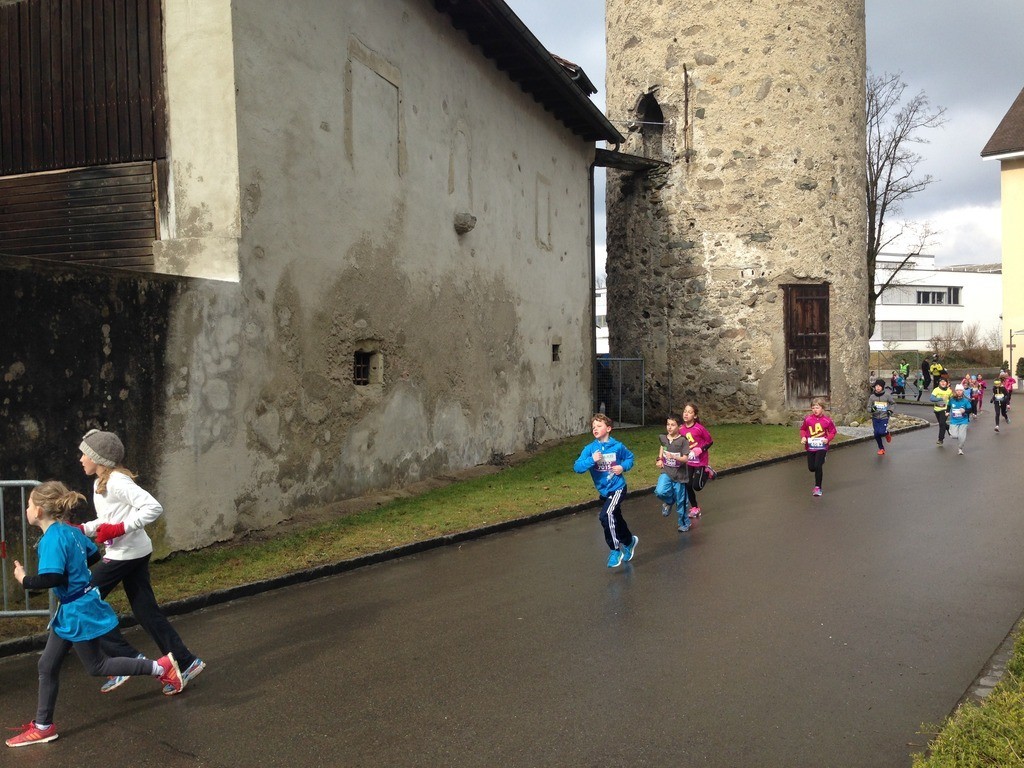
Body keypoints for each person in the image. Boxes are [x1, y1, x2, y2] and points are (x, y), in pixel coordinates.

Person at [5, 481, 182, 748]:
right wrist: (75, 573)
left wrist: (23, 579)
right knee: (47, 665)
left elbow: (52, 577)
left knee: (97, 665)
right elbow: (93, 556)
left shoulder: (51, 539)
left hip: (78, 611)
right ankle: (43, 726)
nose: (26, 509)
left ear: (39, 511)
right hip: (75, 606)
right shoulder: (71, 531)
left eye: (29, 505)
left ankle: (160, 667)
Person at [76, 429, 206, 695]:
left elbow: (153, 507)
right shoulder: (101, 482)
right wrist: (83, 529)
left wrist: (120, 529)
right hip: (134, 552)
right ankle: (186, 661)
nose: (80, 459)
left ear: (99, 459)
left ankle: (123, 661)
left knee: (81, 601)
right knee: (146, 612)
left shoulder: (117, 482)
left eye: (84, 454)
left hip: (125, 555)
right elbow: (109, 518)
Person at [573, 414, 638, 568]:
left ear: (608, 428)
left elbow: (630, 458)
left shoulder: (617, 446)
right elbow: (577, 467)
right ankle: (629, 541)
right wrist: (592, 459)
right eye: (593, 427)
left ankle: (615, 550)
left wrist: (622, 467)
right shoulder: (590, 449)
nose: (595, 429)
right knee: (616, 518)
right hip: (604, 491)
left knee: (606, 515)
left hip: (618, 488)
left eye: (599, 426)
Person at [654, 413, 691, 533]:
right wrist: (660, 459)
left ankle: (684, 523)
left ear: (679, 427)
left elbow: (685, 459)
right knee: (660, 491)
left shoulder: (683, 441)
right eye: (668, 424)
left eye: (673, 425)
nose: (669, 427)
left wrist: (675, 457)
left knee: (681, 501)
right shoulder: (663, 437)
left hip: (680, 475)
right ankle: (669, 501)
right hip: (666, 471)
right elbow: (663, 446)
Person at [680, 403, 714, 519]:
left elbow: (710, 441)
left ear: (694, 416)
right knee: (687, 484)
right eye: (685, 411)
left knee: (697, 486)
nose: (686, 414)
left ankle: (707, 471)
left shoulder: (699, 428)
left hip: (700, 461)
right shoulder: (681, 429)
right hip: (689, 461)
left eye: (689, 412)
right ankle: (695, 508)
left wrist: (701, 449)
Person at [799, 399, 837, 497]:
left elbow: (833, 431)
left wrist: (827, 439)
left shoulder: (827, 420)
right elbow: (803, 429)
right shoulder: (808, 419)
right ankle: (821, 461)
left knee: (818, 466)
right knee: (811, 468)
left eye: (817, 407)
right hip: (810, 447)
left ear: (822, 408)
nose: (815, 410)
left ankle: (817, 487)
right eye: (813, 408)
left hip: (822, 447)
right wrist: (803, 437)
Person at [868, 378, 894, 455]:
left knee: (881, 432)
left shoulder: (887, 395)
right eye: (876, 386)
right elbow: (868, 408)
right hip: (875, 418)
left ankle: (887, 433)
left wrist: (890, 410)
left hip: (884, 417)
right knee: (876, 434)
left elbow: (893, 403)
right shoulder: (872, 397)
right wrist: (872, 409)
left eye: (879, 386)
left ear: (882, 387)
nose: (878, 387)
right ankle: (881, 448)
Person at [947, 385, 972, 455]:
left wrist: (965, 411)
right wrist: (947, 412)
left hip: (963, 420)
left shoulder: (966, 401)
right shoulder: (952, 400)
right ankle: (949, 430)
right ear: (955, 391)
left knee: (962, 437)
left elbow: (970, 410)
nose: (959, 392)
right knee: (954, 436)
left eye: (960, 390)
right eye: (957, 390)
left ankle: (960, 449)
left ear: (963, 391)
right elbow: (948, 406)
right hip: (954, 421)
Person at [930, 376, 953, 446]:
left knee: (942, 424)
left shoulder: (949, 391)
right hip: (937, 409)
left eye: (944, 381)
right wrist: (940, 399)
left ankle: (940, 439)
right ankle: (948, 428)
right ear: (939, 383)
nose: (943, 383)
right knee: (942, 423)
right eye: (941, 381)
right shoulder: (936, 390)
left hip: (945, 409)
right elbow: (931, 398)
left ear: (947, 383)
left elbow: (952, 400)